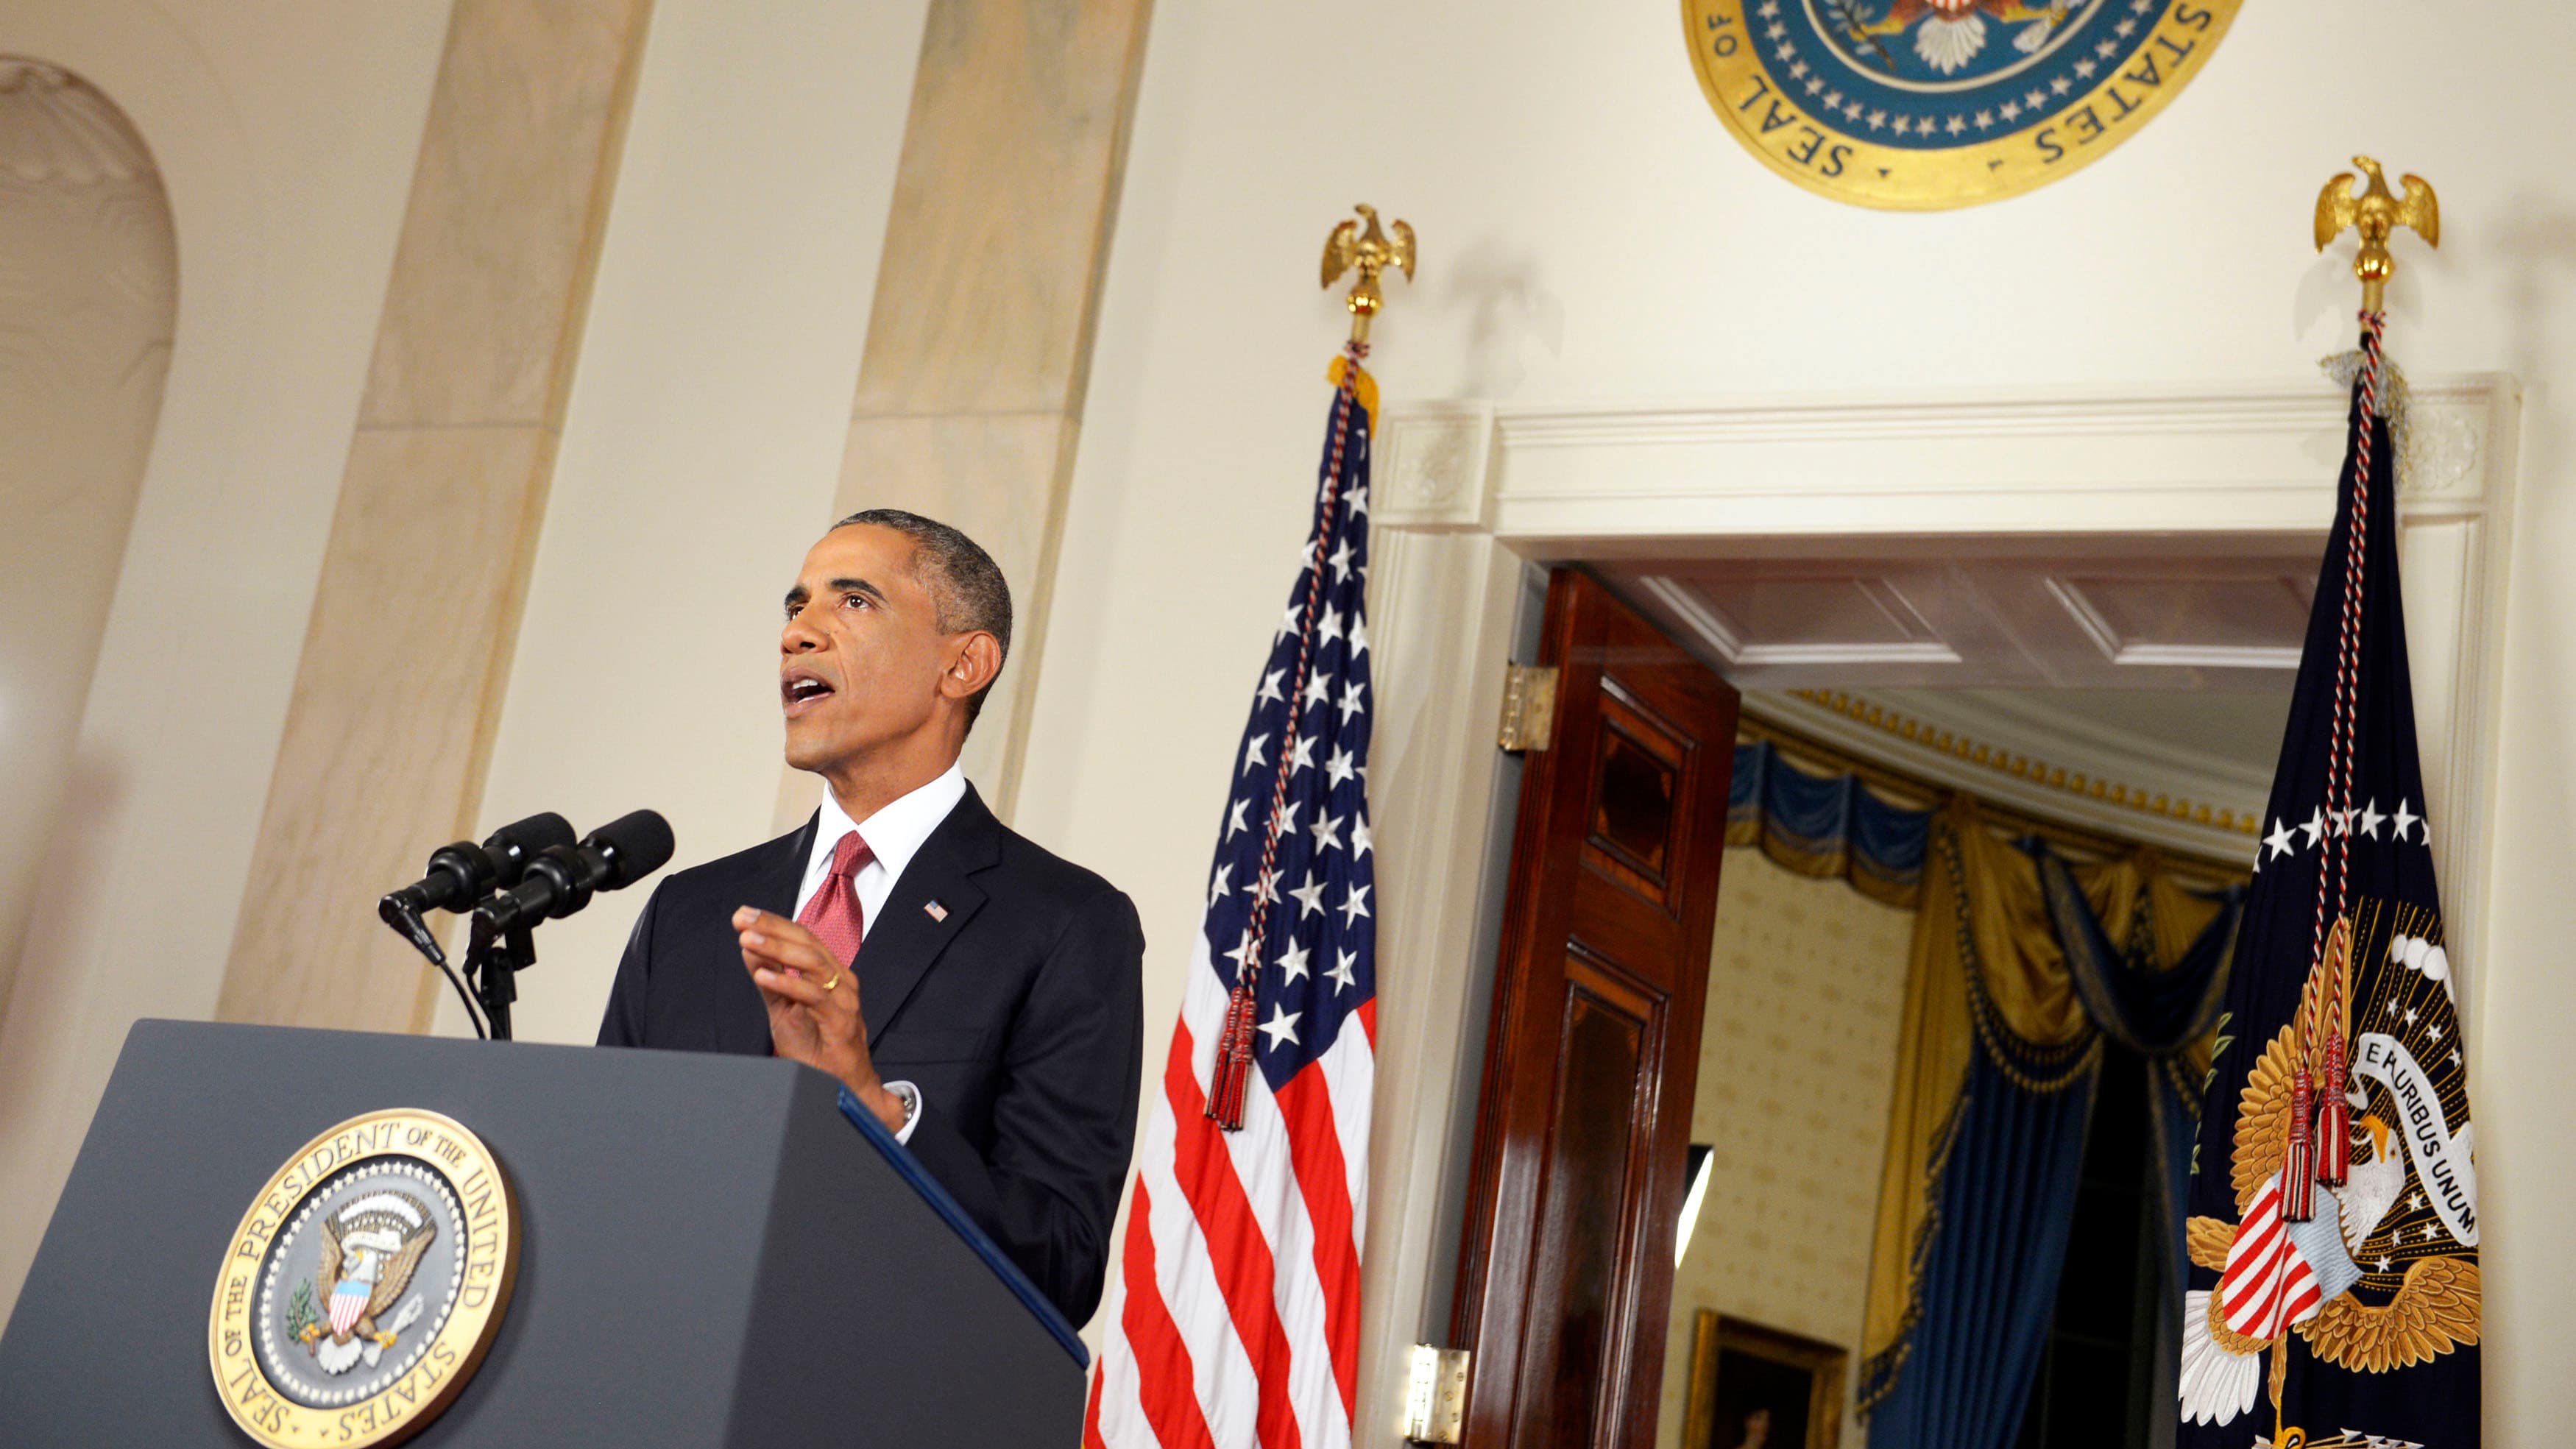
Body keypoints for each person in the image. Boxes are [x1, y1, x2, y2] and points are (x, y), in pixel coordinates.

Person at [596, 509, 1144, 1325]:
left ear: (963, 663)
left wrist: (878, 1108)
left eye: (851, 602)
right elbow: (606, 1182)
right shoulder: (692, 909)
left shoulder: (1066, 923)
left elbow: (1060, 1265)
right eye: (794, 606)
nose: (797, 635)